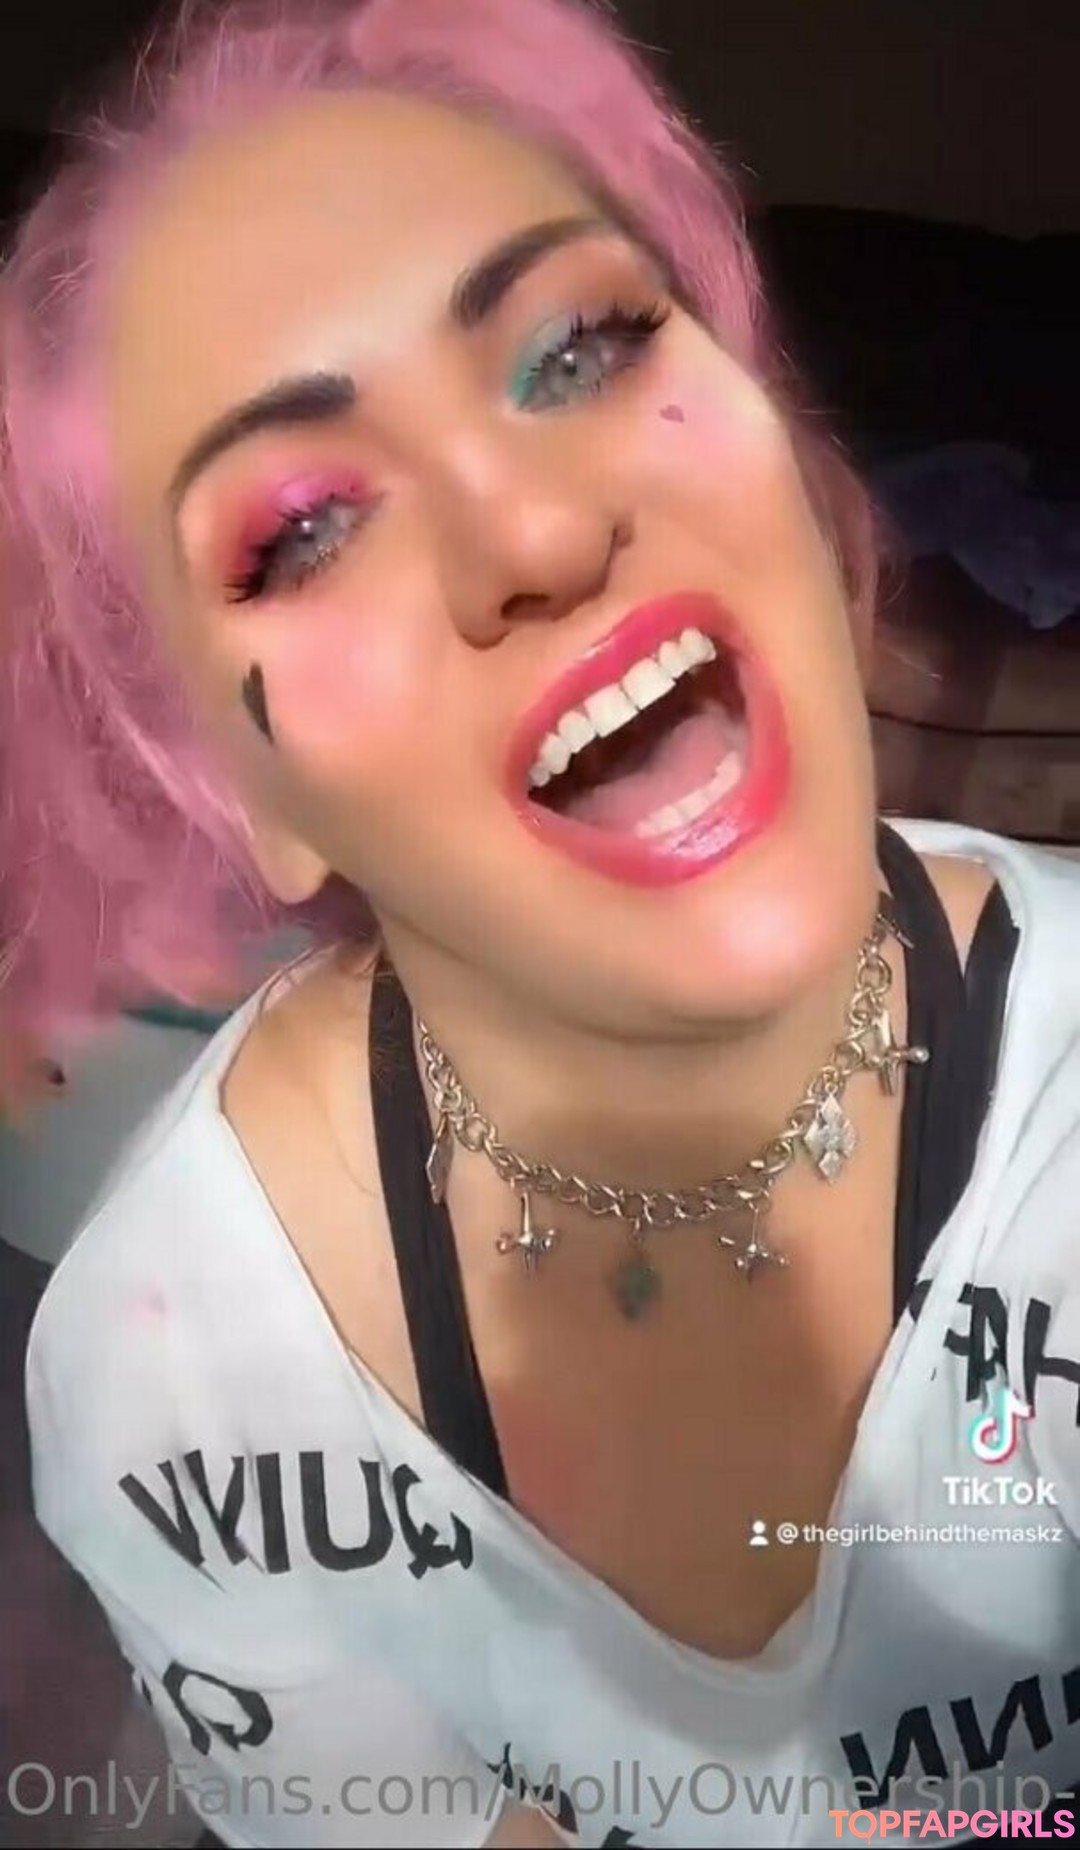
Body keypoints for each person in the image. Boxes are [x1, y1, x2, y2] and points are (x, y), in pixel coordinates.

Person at [3, 0, 1078, 1844]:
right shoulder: (179, 1377)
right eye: (302, 529)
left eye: (582, 343)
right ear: (240, 792)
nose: (534, 533)